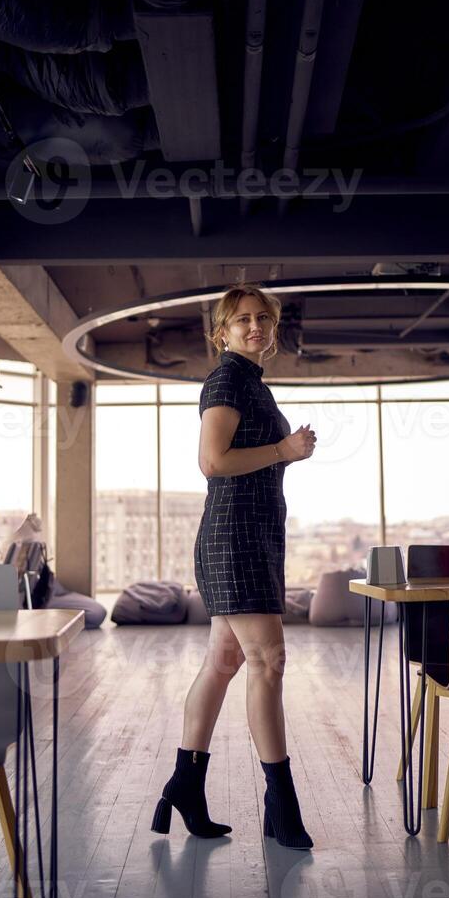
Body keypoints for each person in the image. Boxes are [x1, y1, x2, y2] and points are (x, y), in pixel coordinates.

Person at [151, 283, 317, 849]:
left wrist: (285, 451)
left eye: (264, 319)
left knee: (224, 660)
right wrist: (285, 451)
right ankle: (281, 804)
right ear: (221, 331)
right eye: (243, 319)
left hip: (251, 537)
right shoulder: (226, 380)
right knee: (267, 661)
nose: (255, 327)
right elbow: (213, 461)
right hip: (235, 538)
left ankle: (186, 785)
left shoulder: (249, 383)